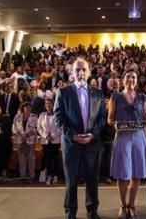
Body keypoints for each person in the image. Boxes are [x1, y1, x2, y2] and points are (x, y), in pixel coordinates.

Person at [54, 58, 106, 219]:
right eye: (77, 70)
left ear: (89, 72)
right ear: (72, 72)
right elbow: (58, 118)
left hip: (92, 144)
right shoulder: (63, 92)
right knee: (71, 180)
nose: (81, 73)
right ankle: (70, 212)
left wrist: (93, 134)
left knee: (92, 180)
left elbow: (102, 119)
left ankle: (92, 211)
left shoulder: (98, 93)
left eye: (84, 70)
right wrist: (73, 135)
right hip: (71, 144)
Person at [108, 69, 146, 219]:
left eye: (133, 77)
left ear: (136, 80)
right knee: (123, 174)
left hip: (139, 137)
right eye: (128, 77)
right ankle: (122, 205)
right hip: (123, 137)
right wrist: (115, 124)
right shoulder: (115, 97)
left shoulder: (143, 97)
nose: (131, 79)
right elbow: (110, 119)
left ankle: (132, 205)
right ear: (123, 79)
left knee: (136, 173)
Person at [12, 102, 38, 182]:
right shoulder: (17, 116)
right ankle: (22, 176)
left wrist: (26, 136)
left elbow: (36, 128)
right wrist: (21, 136)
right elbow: (14, 128)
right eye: (26, 107)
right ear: (23, 108)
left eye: (30, 107)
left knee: (31, 159)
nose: (28, 108)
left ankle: (32, 176)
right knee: (21, 159)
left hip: (30, 141)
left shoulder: (35, 117)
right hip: (20, 141)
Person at [37, 99, 61, 185]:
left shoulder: (58, 114)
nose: (48, 105)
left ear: (53, 104)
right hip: (45, 140)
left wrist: (52, 136)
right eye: (46, 104)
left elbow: (60, 127)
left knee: (54, 158)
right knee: (47, 158)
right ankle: (49, 175)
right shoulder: (42, 115)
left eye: (49, 104)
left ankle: (55, 175)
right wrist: (46, 136)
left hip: (55, 140)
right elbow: (39, 127)